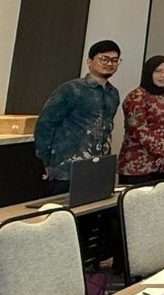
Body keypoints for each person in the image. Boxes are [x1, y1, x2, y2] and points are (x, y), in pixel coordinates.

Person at [34, 40, 122, 195]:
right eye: (104, 59)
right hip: (67, 168)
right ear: (89, 62)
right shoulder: (71, 89)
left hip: (97, 168)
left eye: (115, 60)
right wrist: (45, 161)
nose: (110, 64)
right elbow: (45, 124)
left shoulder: (113, 93)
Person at [118, 55, 164, 185]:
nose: (163, 75)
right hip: (137, 165)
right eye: (158, 71)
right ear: (149, 72)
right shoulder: (136, 97)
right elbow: (138, 129)